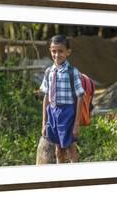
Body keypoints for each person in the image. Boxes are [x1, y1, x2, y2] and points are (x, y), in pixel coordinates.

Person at [40, 34, 84, 163]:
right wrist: (44, 123)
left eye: (60, 51)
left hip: (68, 113)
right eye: (54, 51)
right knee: (58, 150)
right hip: (53, 113)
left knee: (70, 149)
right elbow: (46, 96)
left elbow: (80, 97)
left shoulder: (72, 72)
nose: (57, 55)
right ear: (50, 51)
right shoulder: (49, 71)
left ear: (68, 52)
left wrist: (76, 124)